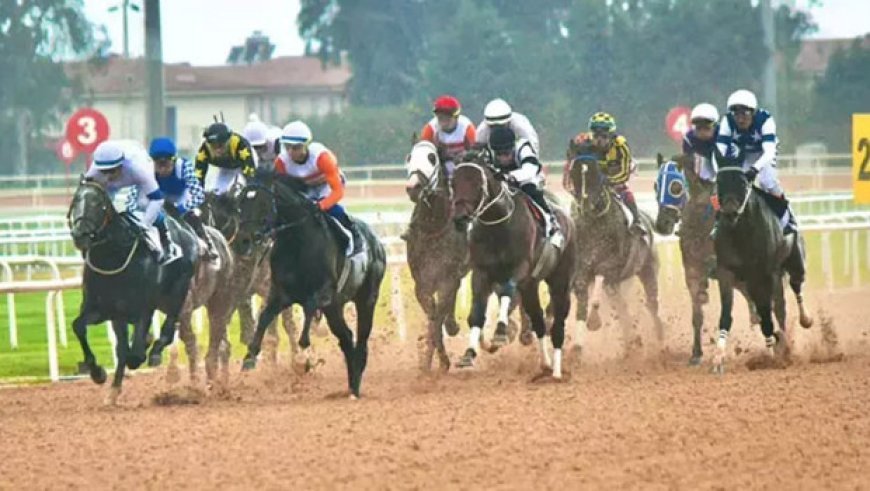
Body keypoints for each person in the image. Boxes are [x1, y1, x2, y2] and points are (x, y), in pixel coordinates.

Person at [713, 88, 797, 236]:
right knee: (725, 184)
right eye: (736, 114)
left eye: (744, 114)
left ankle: (787, 217)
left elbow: (769, 151)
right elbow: (718, 151)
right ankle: (718, 220)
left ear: (753, 113)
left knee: (767, 181)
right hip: (743, 153)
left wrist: (755, 169)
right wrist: (719, 172)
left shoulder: (765, 120)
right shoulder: (727, 121)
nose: (740, 119)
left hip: (763, 152)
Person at [274, 120, 363, 256]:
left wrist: (322, 205)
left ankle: (353, 231)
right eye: (287, 147)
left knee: (331, 209)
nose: (291, 152)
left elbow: (338, 192)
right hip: (305, 187)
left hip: (327, 185)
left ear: (306, 145)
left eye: (296, 147)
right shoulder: (281, 162)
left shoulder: (322, 158)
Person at [85, 140, 176, 264]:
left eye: (112, 171)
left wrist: (145, 225)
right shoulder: (93, 174)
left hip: (138, 166)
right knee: (99, 204)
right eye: (103, 171)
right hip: (116, 173)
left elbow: (157, 199)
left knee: (143, 204)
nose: (108, 176)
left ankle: (166, 242)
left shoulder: (139, 169)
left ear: (121, 165)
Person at [127, 137, 217, 260]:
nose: (163, 169)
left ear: (174, 160)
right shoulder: (144, 170)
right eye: (159, 165)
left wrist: (182, 208)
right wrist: (135, 216)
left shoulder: (184, 166)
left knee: (194, 215)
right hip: (156, 199)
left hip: (180, 197)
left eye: (166, 164)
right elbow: (131, 200)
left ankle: (208, 243)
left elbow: (198, 195)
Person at [565, 112, 642, 233]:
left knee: (621, 189)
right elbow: (574, 169)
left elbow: (624, 173)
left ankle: (637, 220)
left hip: (616, 172)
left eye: (604, 136)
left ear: (611, 135)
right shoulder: (583, 144)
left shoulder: (620, 146)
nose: (599, 140)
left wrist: (609, 181)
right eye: (596, 136)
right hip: (594, 175)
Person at [489, 125, 563, 246]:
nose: (503, 158)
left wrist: (511, 176)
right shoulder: (488, 152)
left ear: (513, 147)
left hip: (527, 179)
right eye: (499, 154)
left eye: (506, 153)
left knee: (531, 190)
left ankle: (552, 224)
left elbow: (530, 169)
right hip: (501, 180)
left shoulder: (523, 148)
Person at [419, 95, 477, 177]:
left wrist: (466, 156)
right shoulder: (430, 128)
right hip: (440, 166)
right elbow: (423, 151)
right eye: (440, 116)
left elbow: (475, 150)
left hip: (464, 165)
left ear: (456, 116)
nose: (443, 120)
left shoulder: (467, 127)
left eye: (447, 116)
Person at [194, 122, 258, 194]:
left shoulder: (240, 145)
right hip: (226, 167)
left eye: (221, 145)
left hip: (245, 162)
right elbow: (198, 178)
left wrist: (251, 189)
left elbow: (250, 173)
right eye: (214, 146)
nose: (218, 150)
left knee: (243, 189)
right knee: (219, 192)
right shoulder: (203, 152)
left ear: (228, 142)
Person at [475, 98, 540, 154]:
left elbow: (533, 145)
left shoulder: (521, 125)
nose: (498, 130)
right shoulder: (482, 130)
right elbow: (477, 150)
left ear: (509, 121)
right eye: (493, 126)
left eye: (501, 125)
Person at [682, 103, 720, 183]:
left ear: (715, 125)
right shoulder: (689, 139)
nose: (702, 132)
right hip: (704, 160)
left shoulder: (723, 135)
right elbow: (688, 164)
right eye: (698, 127)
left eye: (707, 127)